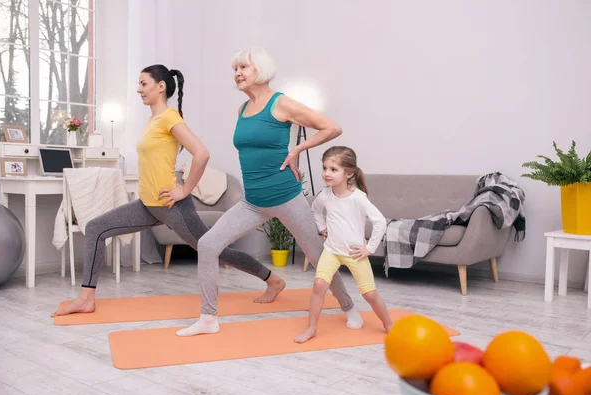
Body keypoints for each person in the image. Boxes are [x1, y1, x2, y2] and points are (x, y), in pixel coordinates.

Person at [51, 64, 283, 317]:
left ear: (160, 87)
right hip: (149, 205)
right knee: (96, 228)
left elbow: (201, 154)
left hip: (171, 206)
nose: (138, 89)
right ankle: (86, 298)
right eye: (139, 84)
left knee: (216, 251)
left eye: (143, 84)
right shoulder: (153, 120)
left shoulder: (169, 117)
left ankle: (272, 280)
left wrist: (184, 190)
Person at [175, 47, 363, 337]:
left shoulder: (281, 103)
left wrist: (298, 148)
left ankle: (349, 306)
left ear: (260, 71)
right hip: (252, 201)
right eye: (235, 68)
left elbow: (331, 127)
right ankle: (208, 319)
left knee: (316, 256)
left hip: (286, 198)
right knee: (209, 244)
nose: (237, 73)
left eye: (243, 68)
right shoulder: (242, 110)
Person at [294, 146, 393, 343]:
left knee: (370, 295)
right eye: (324, 168)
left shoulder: (358, 198)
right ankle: (312, 328)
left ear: (349, 173)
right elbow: (315, 210)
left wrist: (369, 248)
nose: (326, 173)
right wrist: (322, 228)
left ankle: (389, 325)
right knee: (319, 285)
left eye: (333, 169)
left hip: (354, 254)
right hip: (331, 251)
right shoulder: (325, 195)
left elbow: (380, 221)